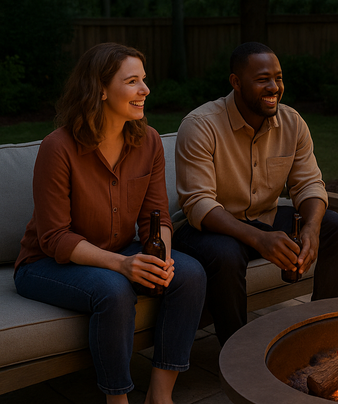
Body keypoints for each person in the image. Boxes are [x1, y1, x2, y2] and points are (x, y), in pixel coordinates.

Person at [14, 43, 206, 404]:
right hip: (46, 263)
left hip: (116, 249)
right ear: (100, 89)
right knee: (115, 290)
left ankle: (160, 396)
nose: (145, 90)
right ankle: (117, 400)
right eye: (132, 81)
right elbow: (55, 237)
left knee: (190, 274)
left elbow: (158, 217)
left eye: (144, 80)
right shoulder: (58, 147)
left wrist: (161, 257)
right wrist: (123, 265)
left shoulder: (147, 141)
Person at [172, 42, 338, 346]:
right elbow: (198, 203)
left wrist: (311, 229)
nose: (274, 87)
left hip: (264, 219)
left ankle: (325, 336)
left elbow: (308, 184)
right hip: (207, 229)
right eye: (262, 79)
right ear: (236, 83)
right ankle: (238, 353)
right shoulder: (200, 126)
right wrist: (259, 238)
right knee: (226, 254)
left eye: (278, 78)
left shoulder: (292, 123)